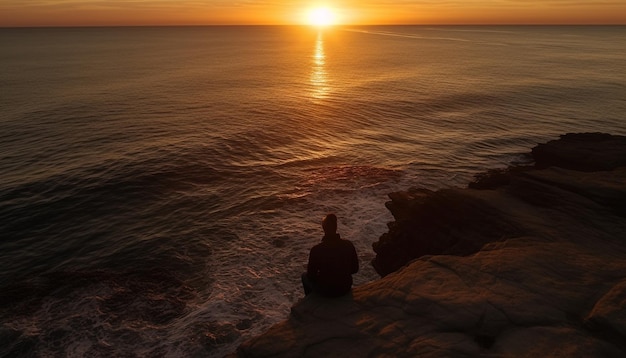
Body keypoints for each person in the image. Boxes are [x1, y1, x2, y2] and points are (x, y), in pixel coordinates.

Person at [302, 213, 359, 297]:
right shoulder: (348, 245)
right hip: (345, 287)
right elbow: (355, 269)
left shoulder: (316, 250)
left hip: (326, 290)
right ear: (336, 227)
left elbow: (311, 276)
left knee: (304, 276)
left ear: (323, 228)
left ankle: (312, 301)